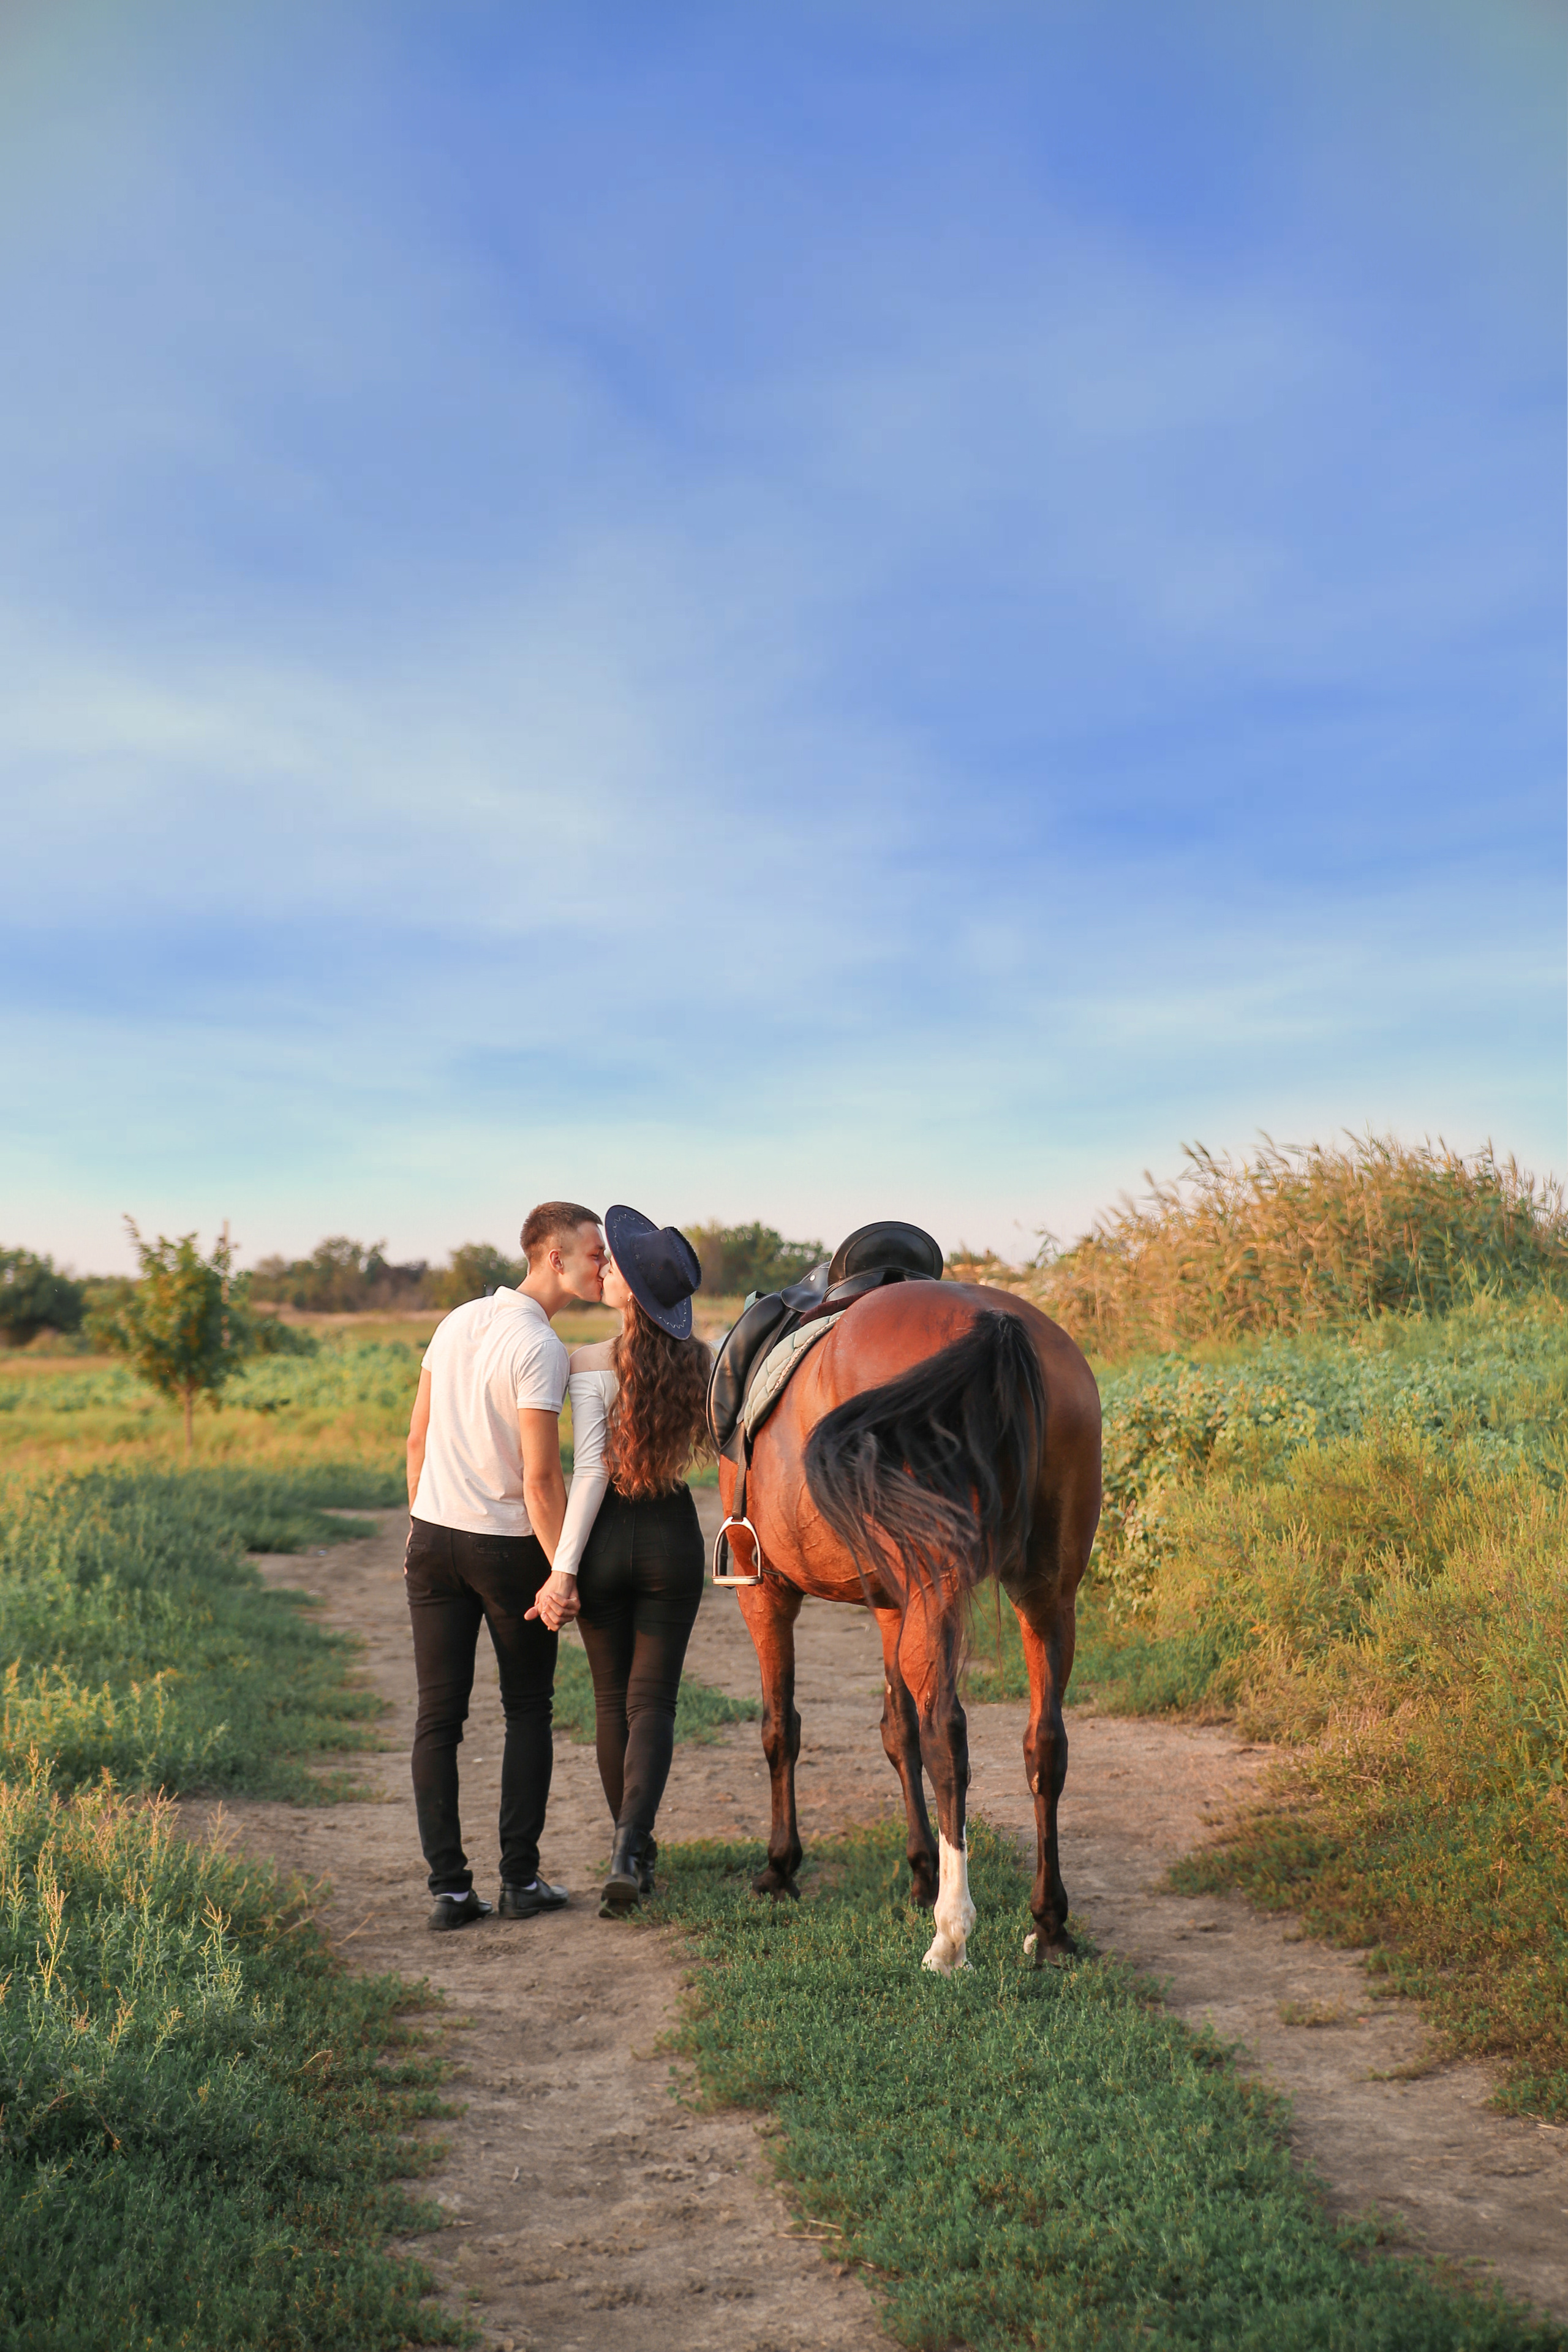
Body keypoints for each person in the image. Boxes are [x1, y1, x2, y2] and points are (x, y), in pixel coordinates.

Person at [403, 1199, 605, 1931]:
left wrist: (417, 1531)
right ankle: (520, 1881)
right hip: (505, 1547)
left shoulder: (456, 1320)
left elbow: (416, 1439)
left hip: (432, 1540)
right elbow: (542, 1480)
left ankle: (449, 1892)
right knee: (526, 1710)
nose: (603, 1266)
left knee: (438, 1716)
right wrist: (563, 1570)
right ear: (554, 1258)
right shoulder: (541, 1347)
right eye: (594, 1255)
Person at [527, 1204, 710, 1917]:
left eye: (614, 1269)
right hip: (672, 1537)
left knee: (611, 1702)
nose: (603, 1270)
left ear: (632, 1291)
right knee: (654, 1701)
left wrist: (563, 1568)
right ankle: (632, 1848)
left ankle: (630, 1848)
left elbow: (593, 1471)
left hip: (604, 1541)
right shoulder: (700, 1362)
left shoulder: (588, 1363)